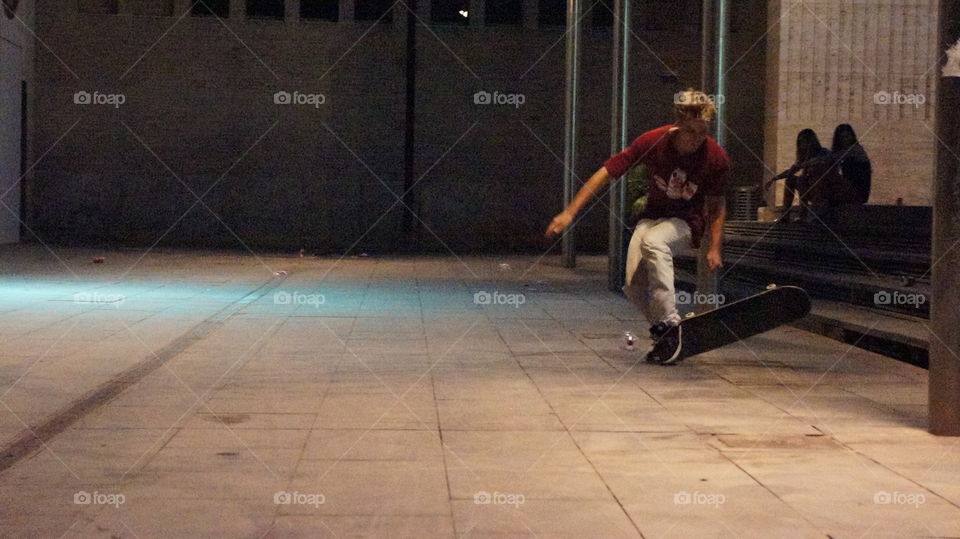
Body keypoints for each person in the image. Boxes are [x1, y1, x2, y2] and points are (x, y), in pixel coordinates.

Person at [545, 89, 730, 365]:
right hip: (652, 217)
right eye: (691, 132)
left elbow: (716, 205)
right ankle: (664, 334)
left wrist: (714, 246)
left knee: (655, 241)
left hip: (687, 224)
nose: (697, 140)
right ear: (678, 125)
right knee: (632, 284)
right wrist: (570, 212)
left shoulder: (716, 157)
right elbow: (605, 173)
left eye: (703, 132)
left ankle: (671, 324)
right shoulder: (653, 141)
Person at [765, 129, 837, 221]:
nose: (804, 145)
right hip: (808, 187)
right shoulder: (803, 157)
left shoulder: (824, 152)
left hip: (822, 188)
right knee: (791, 179)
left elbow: (827, 161)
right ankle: (786, 214)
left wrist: (808, 163)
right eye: (801, 142)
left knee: (802, 179)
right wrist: (774, 179)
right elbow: (791, 171)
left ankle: (803, 214)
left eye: (806, 141)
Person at [830, 124, 871, 205]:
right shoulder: (845, 152)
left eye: (847, 136)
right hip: (849, 189)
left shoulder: (856, 149)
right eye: (842, 138)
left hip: (858, 192)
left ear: (852, 137)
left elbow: (832, 158)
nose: (845, 140)